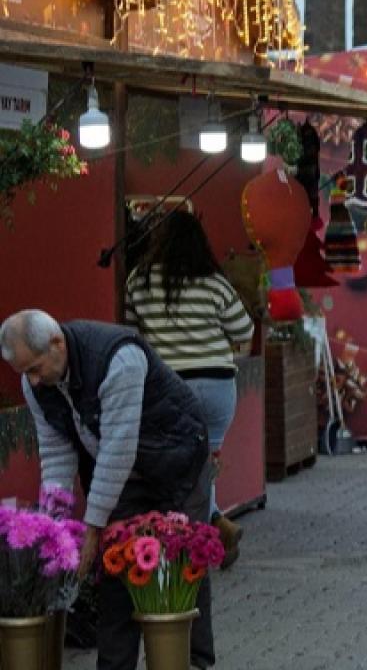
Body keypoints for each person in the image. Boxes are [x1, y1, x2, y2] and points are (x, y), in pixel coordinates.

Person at [1, 310, 215, 670]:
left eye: (36, 368)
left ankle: (193, 662)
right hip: (123, 473)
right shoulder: (35, 384)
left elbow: (118, 448)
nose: (34, 381)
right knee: (115, 571)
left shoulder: (118, 359)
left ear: (57, 343)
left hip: (175, 458)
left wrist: (93, 526)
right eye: (25, 373)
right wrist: (53, 528)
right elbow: (55, 454)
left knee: (183, 564)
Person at [125, 211, 255, 569]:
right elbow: (244, 330)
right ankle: (213, 528)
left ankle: (201, 535)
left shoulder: (139, 282)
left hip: (167, 386)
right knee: (204, 461)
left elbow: (131, 336)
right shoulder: (214, 282)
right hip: (216, 385)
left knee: (180, 464)